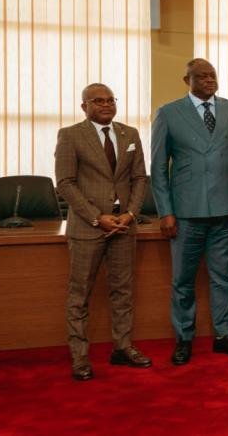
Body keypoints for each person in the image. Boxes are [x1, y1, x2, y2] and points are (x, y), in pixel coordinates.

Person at [151, 58, 228, 365]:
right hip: (185, 212)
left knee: (224, 277)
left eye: (213, 76)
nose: (209, 80)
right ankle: (184, 338)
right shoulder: (168, 113)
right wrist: (165, 211)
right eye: (202, 76)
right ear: (187, 80)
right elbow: (158, 168)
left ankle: (224, 335)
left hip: (226, 210)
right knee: (183, 279)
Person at [55, 83, 151, 381]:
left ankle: (122, 347)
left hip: (124, 226)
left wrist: (130, 214)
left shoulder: (129, 134)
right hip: (88, 228)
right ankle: (80, 357)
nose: (107, 105)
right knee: (80, 294)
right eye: (99, 101)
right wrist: (98, 218)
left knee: (123, 291)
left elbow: (139, 178)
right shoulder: (71, 135)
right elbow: (66, 183)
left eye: (111, 100)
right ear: (84, 106)